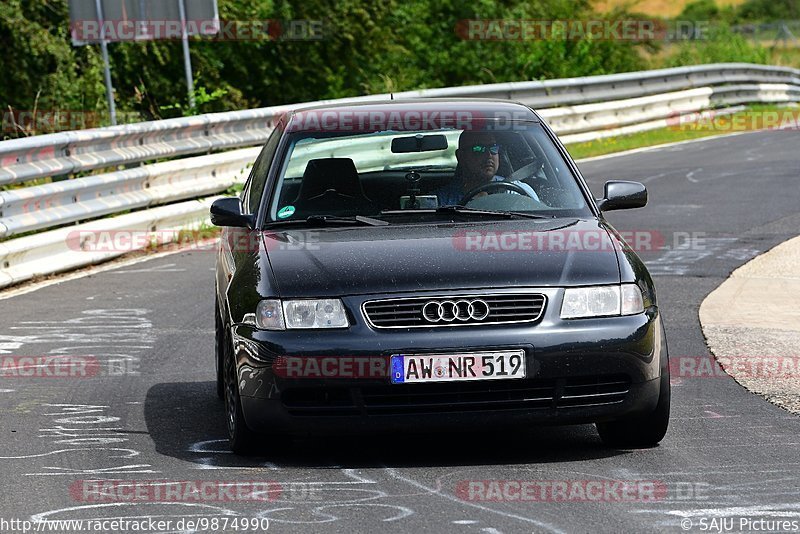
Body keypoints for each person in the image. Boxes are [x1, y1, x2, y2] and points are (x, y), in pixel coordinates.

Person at [434, 130, 539, 206]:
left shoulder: (516, 191)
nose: (489, 155)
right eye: (478, 149)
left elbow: (540, 222)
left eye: (493, 148)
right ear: (461, 156)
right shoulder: (442, 201)